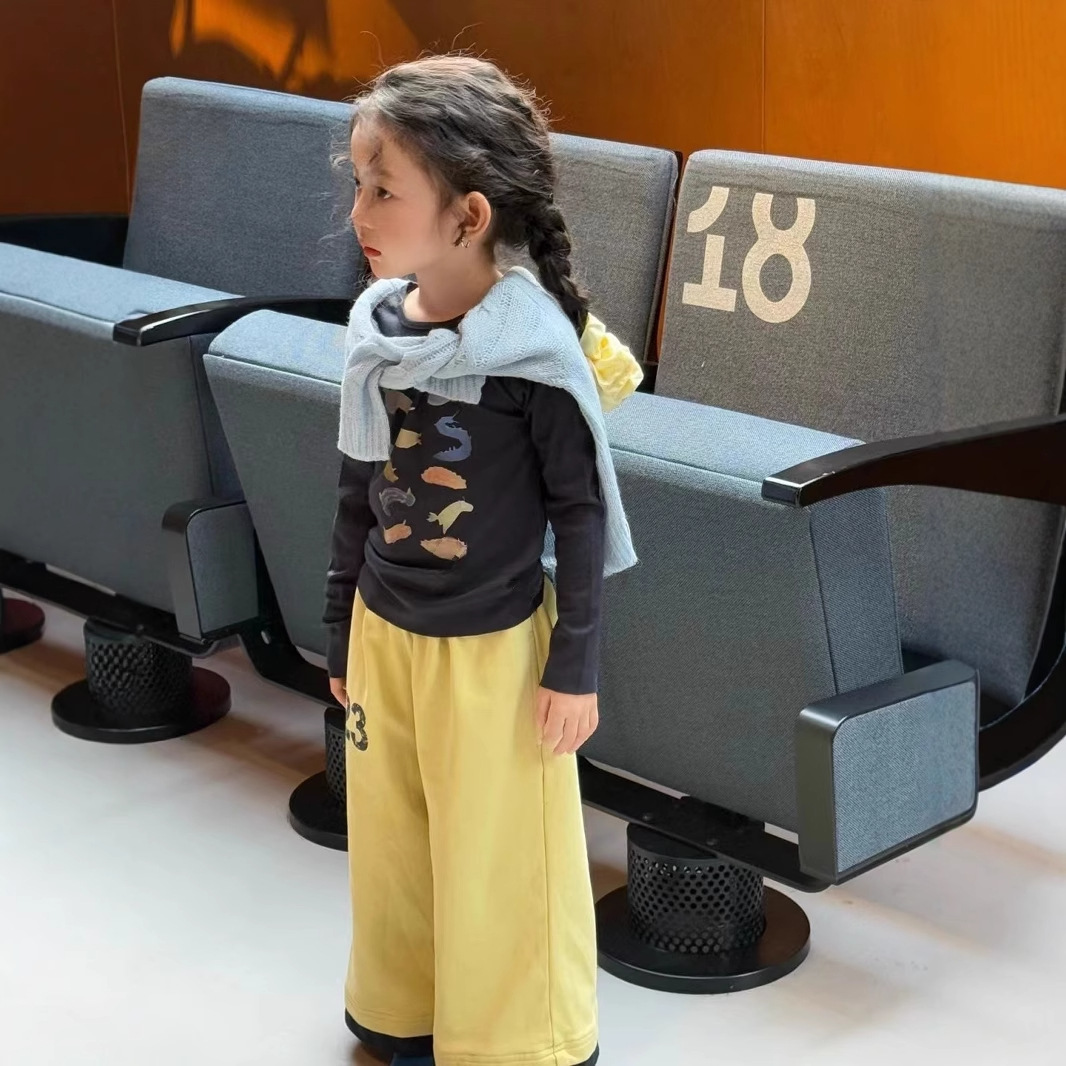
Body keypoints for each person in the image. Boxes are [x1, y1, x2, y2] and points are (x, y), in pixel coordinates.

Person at [322, 54, 641, 1066]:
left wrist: (574, 667)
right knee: (394, 845)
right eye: (358, 184)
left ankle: (513, 1040)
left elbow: (580, 517)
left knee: (503, 862)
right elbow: (356, 491)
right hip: (386, 633)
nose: (358, 213)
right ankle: (403, 1013)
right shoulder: (377, 330)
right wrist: (340, 630)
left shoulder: (532, 353)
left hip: (496, 654)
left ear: (467, 216)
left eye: (383, 189)